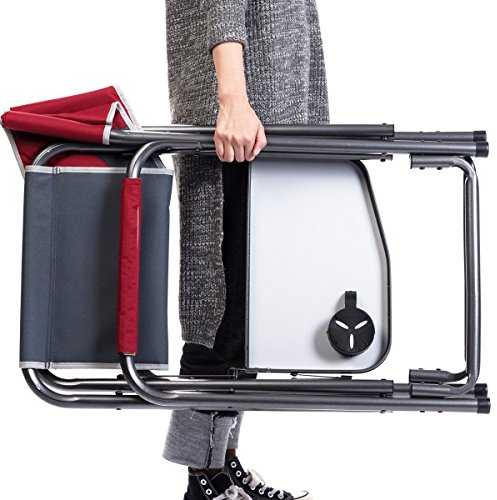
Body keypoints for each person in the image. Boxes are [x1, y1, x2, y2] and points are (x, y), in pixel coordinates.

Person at [164, 1, 329, 499]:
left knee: (251, 319)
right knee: (220, 315)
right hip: (242, 131)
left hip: (269, 127)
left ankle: (220, 464)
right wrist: (232, 98)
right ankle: (203, 478)